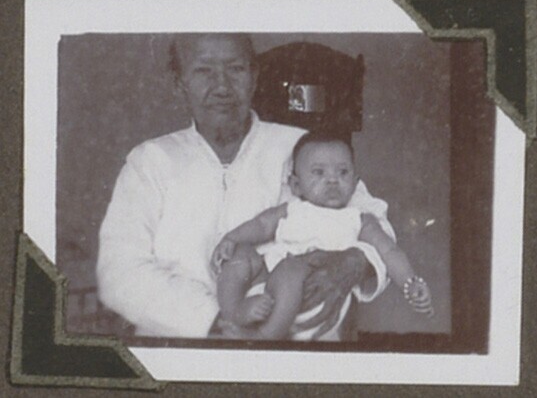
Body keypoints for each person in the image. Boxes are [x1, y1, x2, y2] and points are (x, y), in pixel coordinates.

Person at [97, 33, 392, 338]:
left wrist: (357, 260)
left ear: (254, 77)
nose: (222, 86)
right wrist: (218, 322)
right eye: (204, 71)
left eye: (235, 69)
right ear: (179, 82)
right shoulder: (151, 161)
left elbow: (375, 221)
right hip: (183, 347)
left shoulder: (302, 148)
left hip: (293, 351)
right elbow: (119, 271)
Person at [212, 132, 434, 341]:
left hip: (313, 295)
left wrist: (410, 282)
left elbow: (389, 251)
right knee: (241, 253)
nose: (332, 180)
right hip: (269, 282)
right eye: (319, 172)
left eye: (343, 172)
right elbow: (261, 225)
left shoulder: (358, 219)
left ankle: (264, 336)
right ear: (296, 185)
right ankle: (234, 311)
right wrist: (231, 239)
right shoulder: (291, 209)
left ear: (355, 182)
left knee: (292, 268)